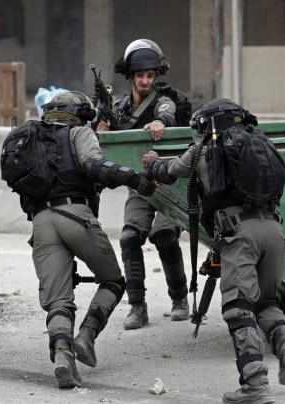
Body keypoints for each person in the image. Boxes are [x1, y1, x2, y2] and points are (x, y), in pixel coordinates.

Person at [143, 98, 285, 403]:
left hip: (238, 234)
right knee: (266, 303)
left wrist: (152, 162)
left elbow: (170, 171)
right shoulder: (261, 142)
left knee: (237, 306)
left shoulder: (205, 149)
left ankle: (254, 384)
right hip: (274, 230)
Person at [2, 91, 156, 388]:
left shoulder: (35, 140)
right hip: (75, 215)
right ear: (77, 114)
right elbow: (94, 167)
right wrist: (134, 178)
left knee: (59, 300)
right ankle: (86, 336)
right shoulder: (79, 133)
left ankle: (63, 355)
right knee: (113, 280)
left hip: (41, 224)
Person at [96, 39, 189, 330]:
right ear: (131, 77)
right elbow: (105, 147)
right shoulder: (120, 109)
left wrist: (161, 122)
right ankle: (137, 306)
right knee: (128, 237)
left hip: (170, 182)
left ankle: (179, 299)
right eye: (140, 75)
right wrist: (101, 130)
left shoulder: (164, 98)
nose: (146, 80)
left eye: (150, 75)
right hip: (140, 185)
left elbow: (168, 111)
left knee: (164, 235)